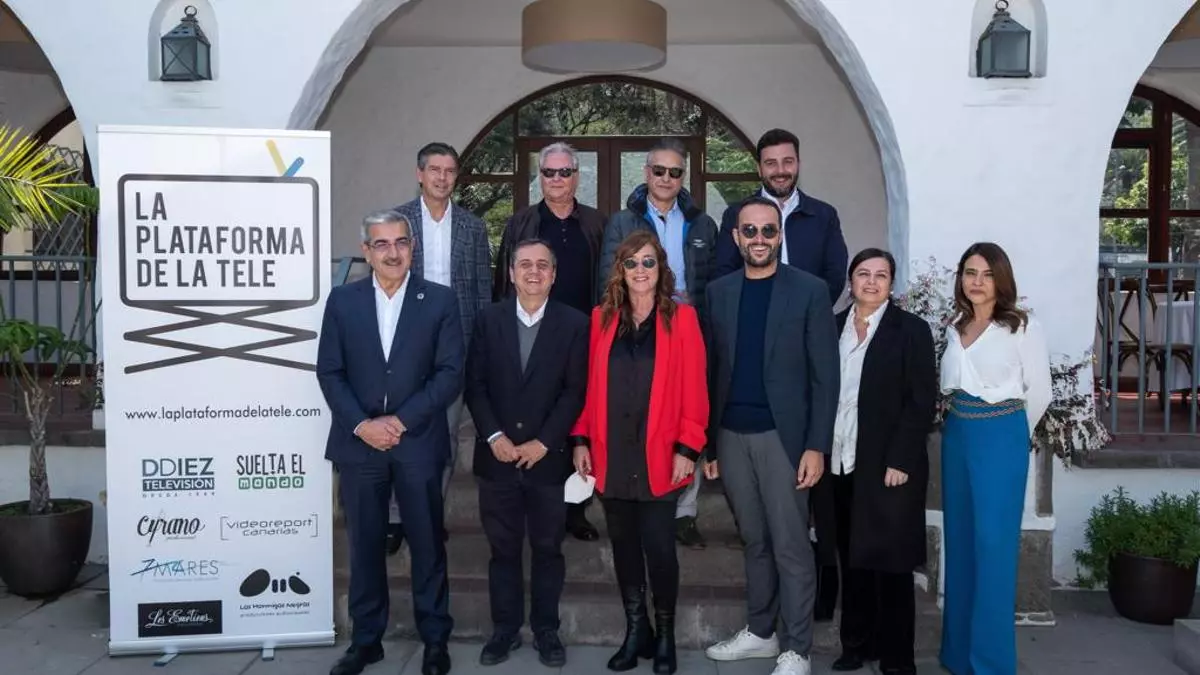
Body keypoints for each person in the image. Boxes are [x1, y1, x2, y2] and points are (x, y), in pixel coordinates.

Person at [317, 210, 462, 675]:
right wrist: (363, 425)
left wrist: (399, 421)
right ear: (366, 251)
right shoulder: (343, 301)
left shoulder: (439, 301)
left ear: (412, 248)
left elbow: (449, 373)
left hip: (417, 441)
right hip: (359, 445)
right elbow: (330, 372)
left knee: (427, 545)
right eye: (381, 244)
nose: (393, 252)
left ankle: (435, 640)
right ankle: (366, 642)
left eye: (401, 242)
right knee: (364, 547)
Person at [702, 197, 839, 675]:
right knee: (754, 540)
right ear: (736, 237)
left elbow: (825, 376)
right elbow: (712, 371)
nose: (759, 239)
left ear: (780, 236)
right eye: (750, 231)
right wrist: (710, 445)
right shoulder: (718, 292)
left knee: (790, 545)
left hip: (785, 438)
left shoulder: (810, 290)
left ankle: (798, 648)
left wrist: (816, 445)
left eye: (768, 231)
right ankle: (762, 632)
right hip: (731, 435)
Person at [570, 230, 709, 674]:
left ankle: (665, 634)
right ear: (621, 270)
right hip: (612, 453)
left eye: (648, 261)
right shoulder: (601, 319)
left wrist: (688, 447)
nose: (640, 270)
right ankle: (637, 631)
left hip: (661, 455)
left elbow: (696, 389)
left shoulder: (682, 319)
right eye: (632, 263)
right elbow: (588, 388)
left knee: (660, 550)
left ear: (660, 267)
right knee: (625, 548)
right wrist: (581, 439)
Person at [810, 249, 937, 675]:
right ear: (850, 282)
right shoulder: (831, 327)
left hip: (888, 465)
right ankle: (856, 645)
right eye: (863, 273)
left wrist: (901, 458)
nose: (871, 281)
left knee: (892, 563)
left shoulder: (911, 331)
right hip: (839, 462)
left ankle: (897, 657)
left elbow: (921, 401)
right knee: (852, 559)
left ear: (891, 284)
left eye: (881, 275)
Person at [465, 239, 588, 668]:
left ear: (554, 275)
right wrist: (494, 435)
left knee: (548, 549)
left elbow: (575, 391)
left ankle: (546, 630)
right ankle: (504, 630)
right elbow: (475, 384)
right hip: (496, 458)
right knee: (503, 550)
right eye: (525, 265)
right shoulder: (488, 320)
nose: (533, 272)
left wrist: (545, 441)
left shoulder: (575, 323)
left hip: (548, 460)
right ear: (511, 273)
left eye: (542, 265)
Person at [598, 137, 719, 550]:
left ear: (683, 177)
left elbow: (712, 283)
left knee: (689, 412)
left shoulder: (702, 224)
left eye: (675, 172)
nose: (667, 178)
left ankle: (684, 512)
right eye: (659, 170)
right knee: (644, 414)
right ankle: (638, 495)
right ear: (646, 173)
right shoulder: (623, 222)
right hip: (637, 330)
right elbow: (608, 277)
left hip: (687, 331)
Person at [939, 242, 1051, 675]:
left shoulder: (1022, 327)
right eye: (970, 273)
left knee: (993, 546)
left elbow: (1039, 393)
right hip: (957, 435)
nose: (977, 282)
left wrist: (1009, 435)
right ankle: (958, 654)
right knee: (960, 542)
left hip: (1001, 435)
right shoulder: (956, 325)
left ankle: (991, 663)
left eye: (987, 274)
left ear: (1001, 279)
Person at [493, 141, 608, 542]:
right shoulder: (520, 224)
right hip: (531, 337)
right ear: (539, 177)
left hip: (584, 339)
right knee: (536, 419)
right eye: (549, 172)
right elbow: (502, 284)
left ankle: (576, 511)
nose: (557, 179)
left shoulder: (597, 223)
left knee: (578, 425)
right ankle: (530, 503)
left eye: (564, 172)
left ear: (576, 176)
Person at [388, 141, 491, 552]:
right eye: (435, 170)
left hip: (455, 346)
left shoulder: (473, 227)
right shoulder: (396, 223)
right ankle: (396, 517)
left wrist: (480, 349)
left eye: (449, 171)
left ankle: (428, 515)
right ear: (420, 174)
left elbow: (482, 293)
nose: (442, 178)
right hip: (403, 345)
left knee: (444, 437)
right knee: (399, 430)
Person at [712, 128, 848, 304]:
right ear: (759, 168)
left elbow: (835, 275)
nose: (780, 171)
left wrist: (811, 311)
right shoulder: (736, 214)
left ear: (798, 164)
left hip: (809, 316)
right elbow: (724, 273)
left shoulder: (824, 215)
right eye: (771, 163)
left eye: (788, 161)